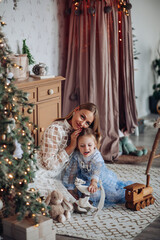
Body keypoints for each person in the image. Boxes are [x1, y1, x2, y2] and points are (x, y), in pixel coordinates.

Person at [30, 103, 101, 200]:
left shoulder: (81, 134)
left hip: (65, 173)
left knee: (92, 192)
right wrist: (71, 146)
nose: (82, 123)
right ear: (76, 110)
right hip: (45, 169)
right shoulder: (55, 130)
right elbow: (49, 165)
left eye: (87, 123)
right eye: (82, 117)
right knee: (61, 199)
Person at [63, 128, 132, 206]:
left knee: (114, 195)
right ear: (78, 146)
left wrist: (94, 182)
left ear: (95, 144)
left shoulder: (96, 156)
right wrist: (70, 189)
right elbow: (72, 172)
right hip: (85, 179)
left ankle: (113, 192)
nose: (86, 148)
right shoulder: (77, 155)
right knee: (89, 194)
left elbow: (97, 169)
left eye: (89, 145)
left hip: (100, 179)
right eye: (82, 146)